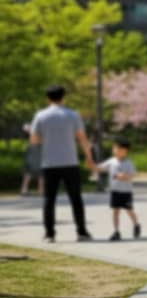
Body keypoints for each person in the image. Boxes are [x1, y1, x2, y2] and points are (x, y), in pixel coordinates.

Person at [30, 85, 95, 243]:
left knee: (49, 199)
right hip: (70, 162)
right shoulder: (73, 115)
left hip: (49, 163)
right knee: (76, 198)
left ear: (47, 98)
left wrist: (47, 139)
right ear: (63, 97)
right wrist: (89, 158)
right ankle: (82, 232)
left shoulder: (41, 116)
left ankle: (50, 234)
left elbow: (34, 140)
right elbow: (82, 138)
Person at [96, 138, 141, 241]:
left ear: (125, 151)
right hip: (115, 191)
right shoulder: (111, 161)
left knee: (129, 210)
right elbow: (100, 168)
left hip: (126, 192)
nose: (116, 150)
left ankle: (136, 224)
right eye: (115, 148)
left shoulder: (129, 163)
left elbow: (133, 175)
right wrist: (92, 165)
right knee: (115, 211)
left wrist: (124, 176)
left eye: (119, 149)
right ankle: (116, 231)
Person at [20, 124, 43, 196]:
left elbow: (25, 128)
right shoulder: (36, 129)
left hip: (34, 149)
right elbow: (25, 127)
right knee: (40, 171)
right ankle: (41, 190)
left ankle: (39, 190)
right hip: (35, 149)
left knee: (30, 171)